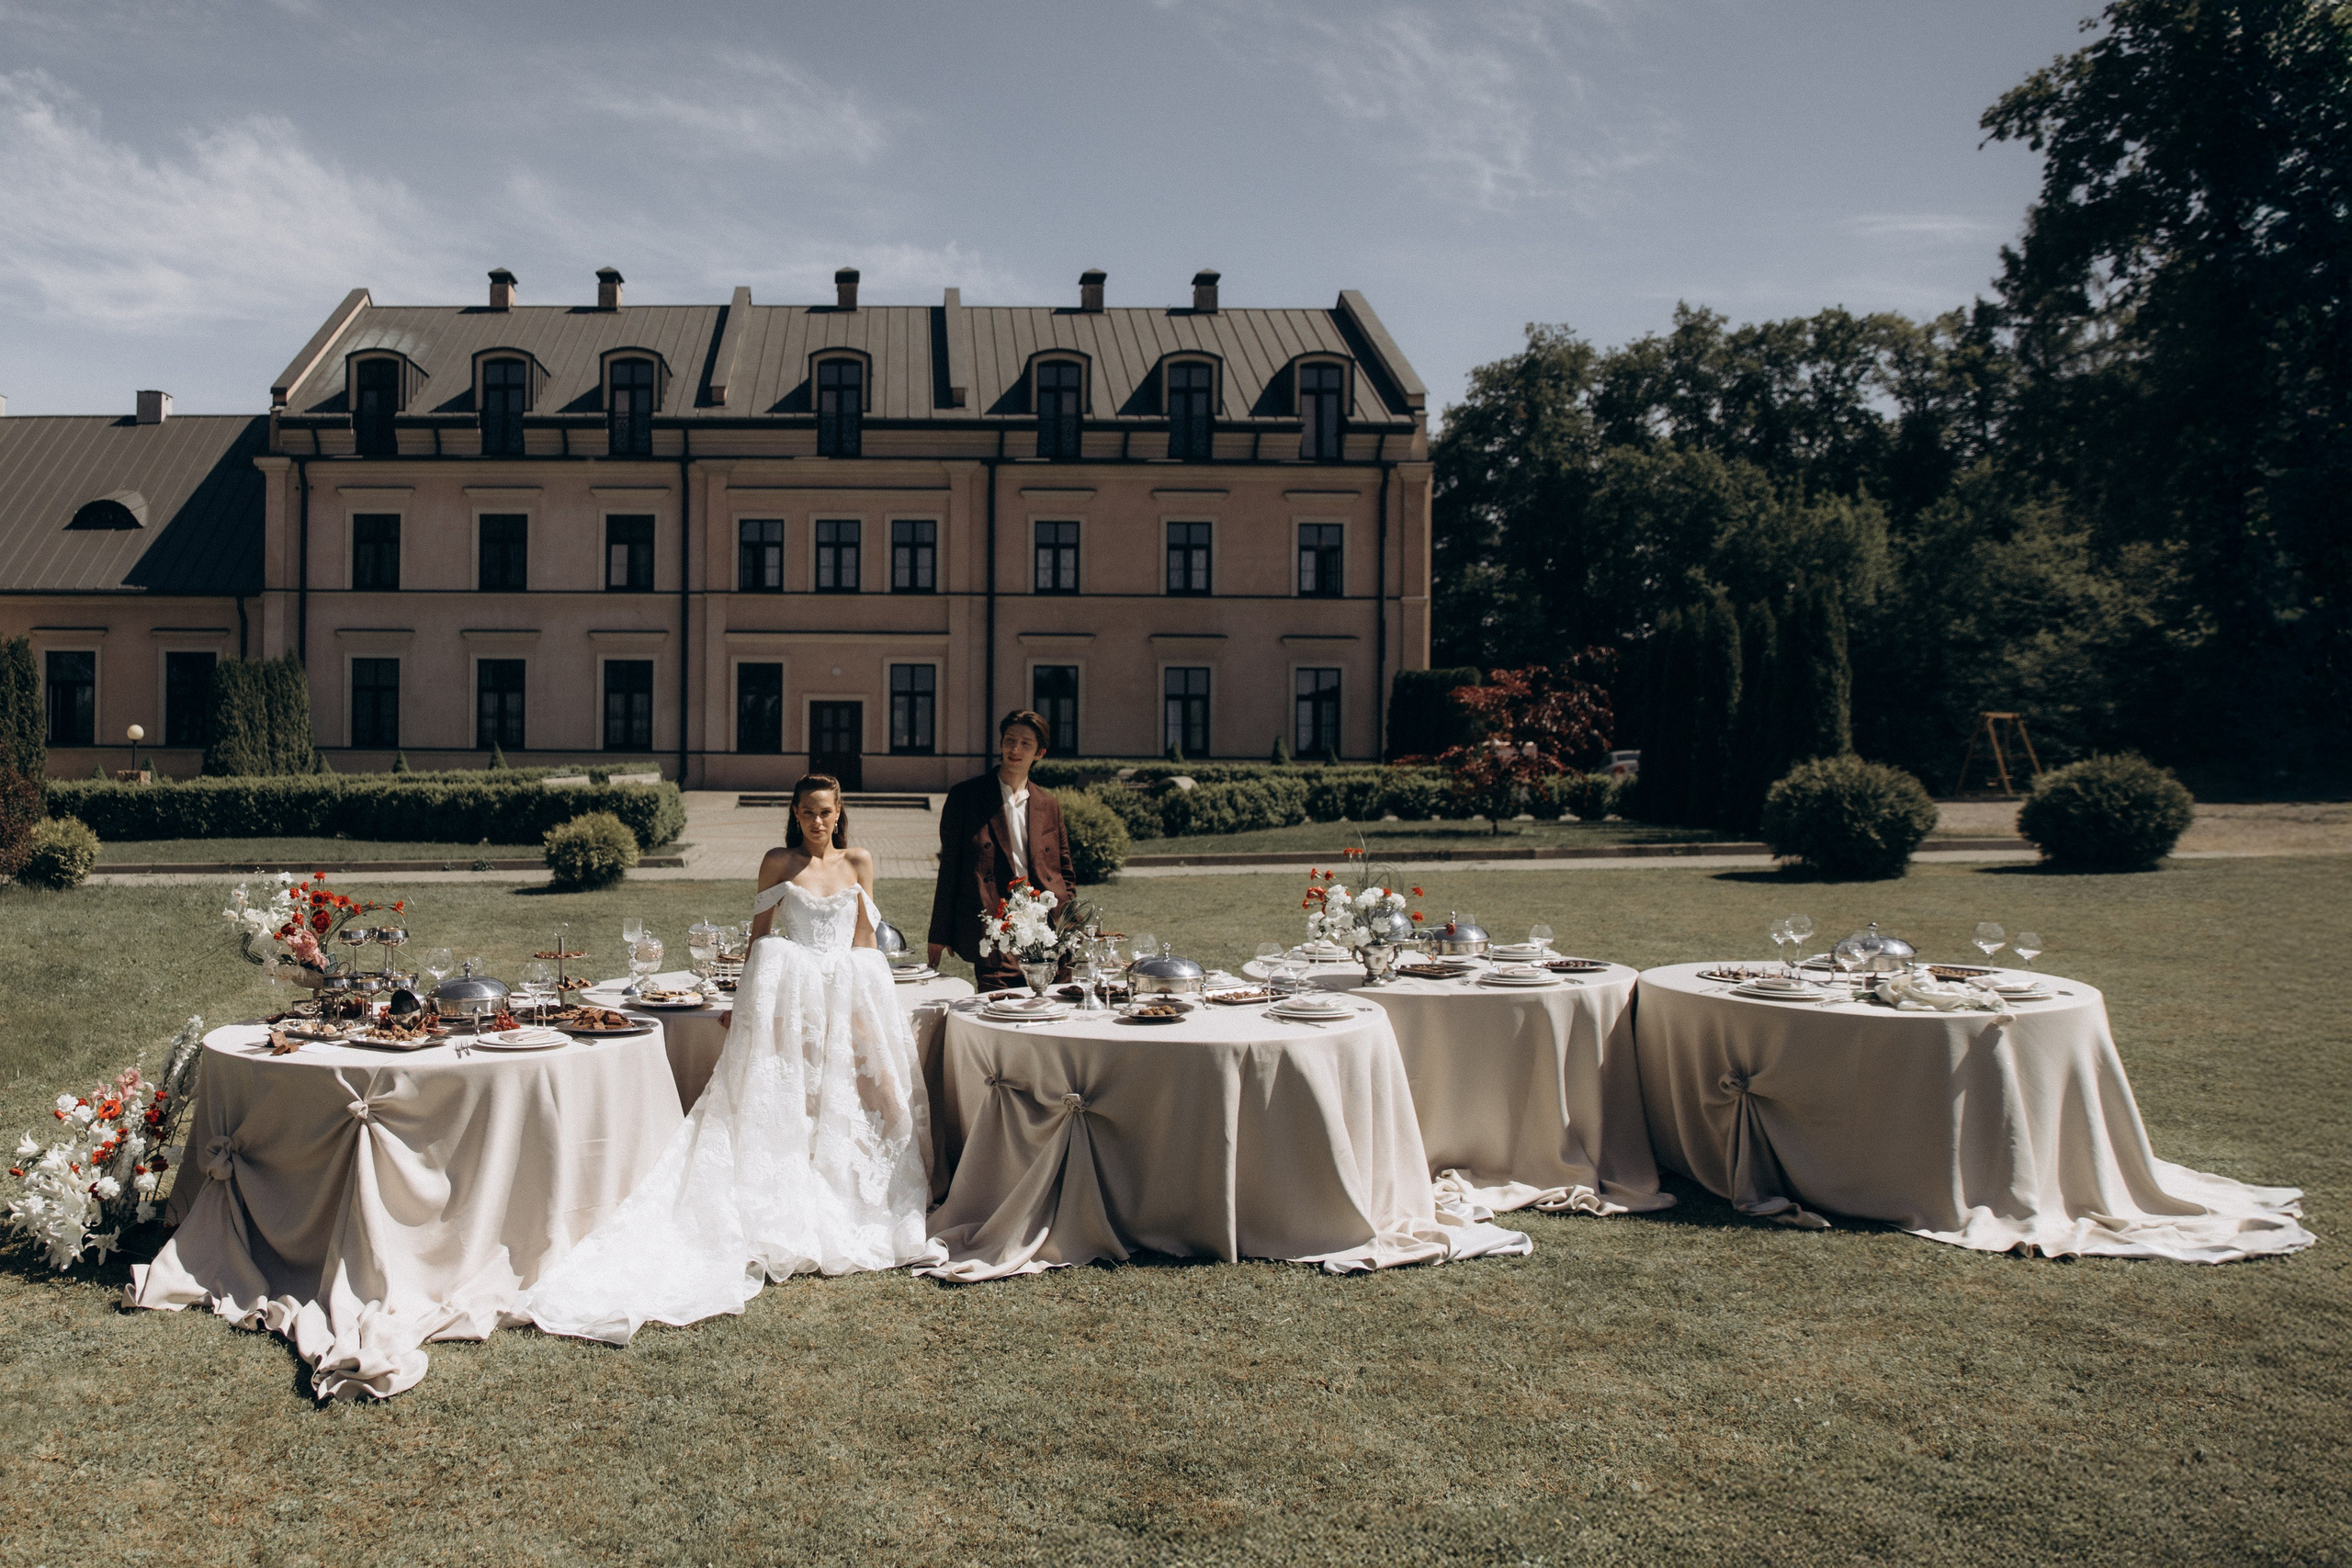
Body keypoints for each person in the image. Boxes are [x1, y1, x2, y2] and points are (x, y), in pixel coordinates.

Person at [523, 774, 941, 1345]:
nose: (818, 822)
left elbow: (864, 941)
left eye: (827, 812)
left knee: (852, 1100)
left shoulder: (860, 861)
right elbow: (760, 938)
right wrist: (746, 1003)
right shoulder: (778, 862)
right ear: (794, 813)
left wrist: (871, 1013)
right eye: (808, 813)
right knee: (785, 1100)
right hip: (790, 1001)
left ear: (839, 812)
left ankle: (850, 1199)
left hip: (843, 997)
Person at [929, 709, 1078, 990]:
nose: (1015, 749)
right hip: (996, 927)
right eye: (1010, 740)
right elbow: (950, 867)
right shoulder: (966, 797)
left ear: (1039, 753)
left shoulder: (1048, 804)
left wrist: (1066, 921)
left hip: (1047, 930)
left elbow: (1064, 870)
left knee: (1053, 1011)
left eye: (1025, 744)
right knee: (1001, 1009)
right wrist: (940, 932)